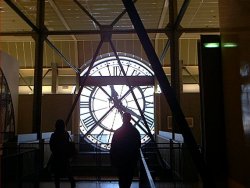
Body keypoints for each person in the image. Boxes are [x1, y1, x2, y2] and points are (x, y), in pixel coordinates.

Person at [110, 112, 141, 188]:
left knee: (122, 179)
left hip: (120, 160)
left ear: (122, 119)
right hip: (131, 161)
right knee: (128, 179)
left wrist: (113, 160)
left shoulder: (117, 132)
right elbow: (138, 146)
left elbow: (113, 147)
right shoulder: (135, 132)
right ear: (130, 119)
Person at [49, 119, 76, 188]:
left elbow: (52, 146)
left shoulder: (54, 135)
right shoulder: (66, 134)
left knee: (56, 175)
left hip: (56, 158)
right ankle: (73, 185)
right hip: (64, 157)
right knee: (69, 174)